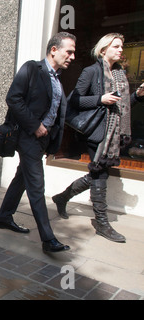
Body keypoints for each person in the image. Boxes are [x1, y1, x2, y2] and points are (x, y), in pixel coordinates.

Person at [52, 33, 144, 242]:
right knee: (100, 175)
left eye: (122, 46)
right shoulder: (92, 71)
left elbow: (121, 105)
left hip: (113, 134)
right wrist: (100, 99)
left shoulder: (120, 75)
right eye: (116, 46)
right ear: (104, 50)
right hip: (97, 132)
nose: (121, 50)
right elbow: (73, 100)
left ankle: (62, 197)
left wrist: (136, 96)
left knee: (97, 174)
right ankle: (102, 222)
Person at [0, 32, 76, 253]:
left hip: (41, 140)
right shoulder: (32, 69)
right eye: (69, 51)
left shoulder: (58, 79)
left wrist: (50, 138)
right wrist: (35, 125)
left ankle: (4, 217)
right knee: (36, 186)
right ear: (53, 50)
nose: (72, 56)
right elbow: (13, 98)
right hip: (27, 136)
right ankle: (48, 239)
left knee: (22, 179)